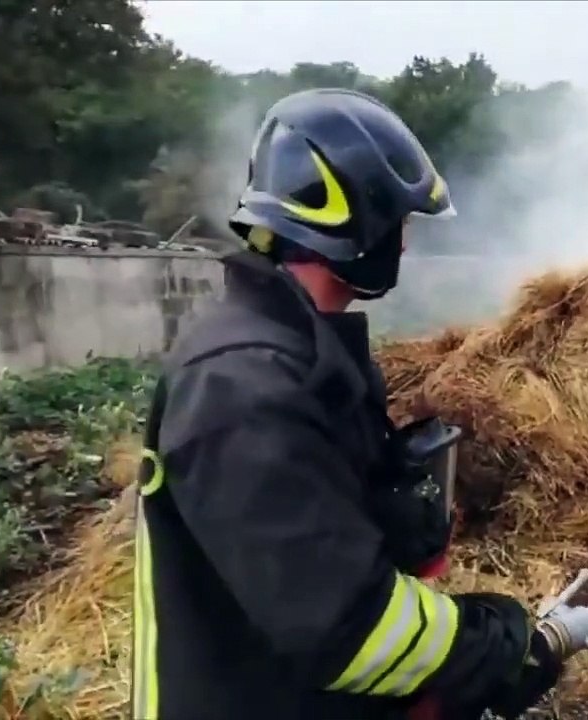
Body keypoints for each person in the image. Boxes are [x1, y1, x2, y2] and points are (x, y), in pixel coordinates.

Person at [130, 88, 563, 720]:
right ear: (350, 222)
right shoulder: (241, 387)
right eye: (400, 224)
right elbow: (347, 627)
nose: (406, 246)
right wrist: (485, 649)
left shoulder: (301, 355)